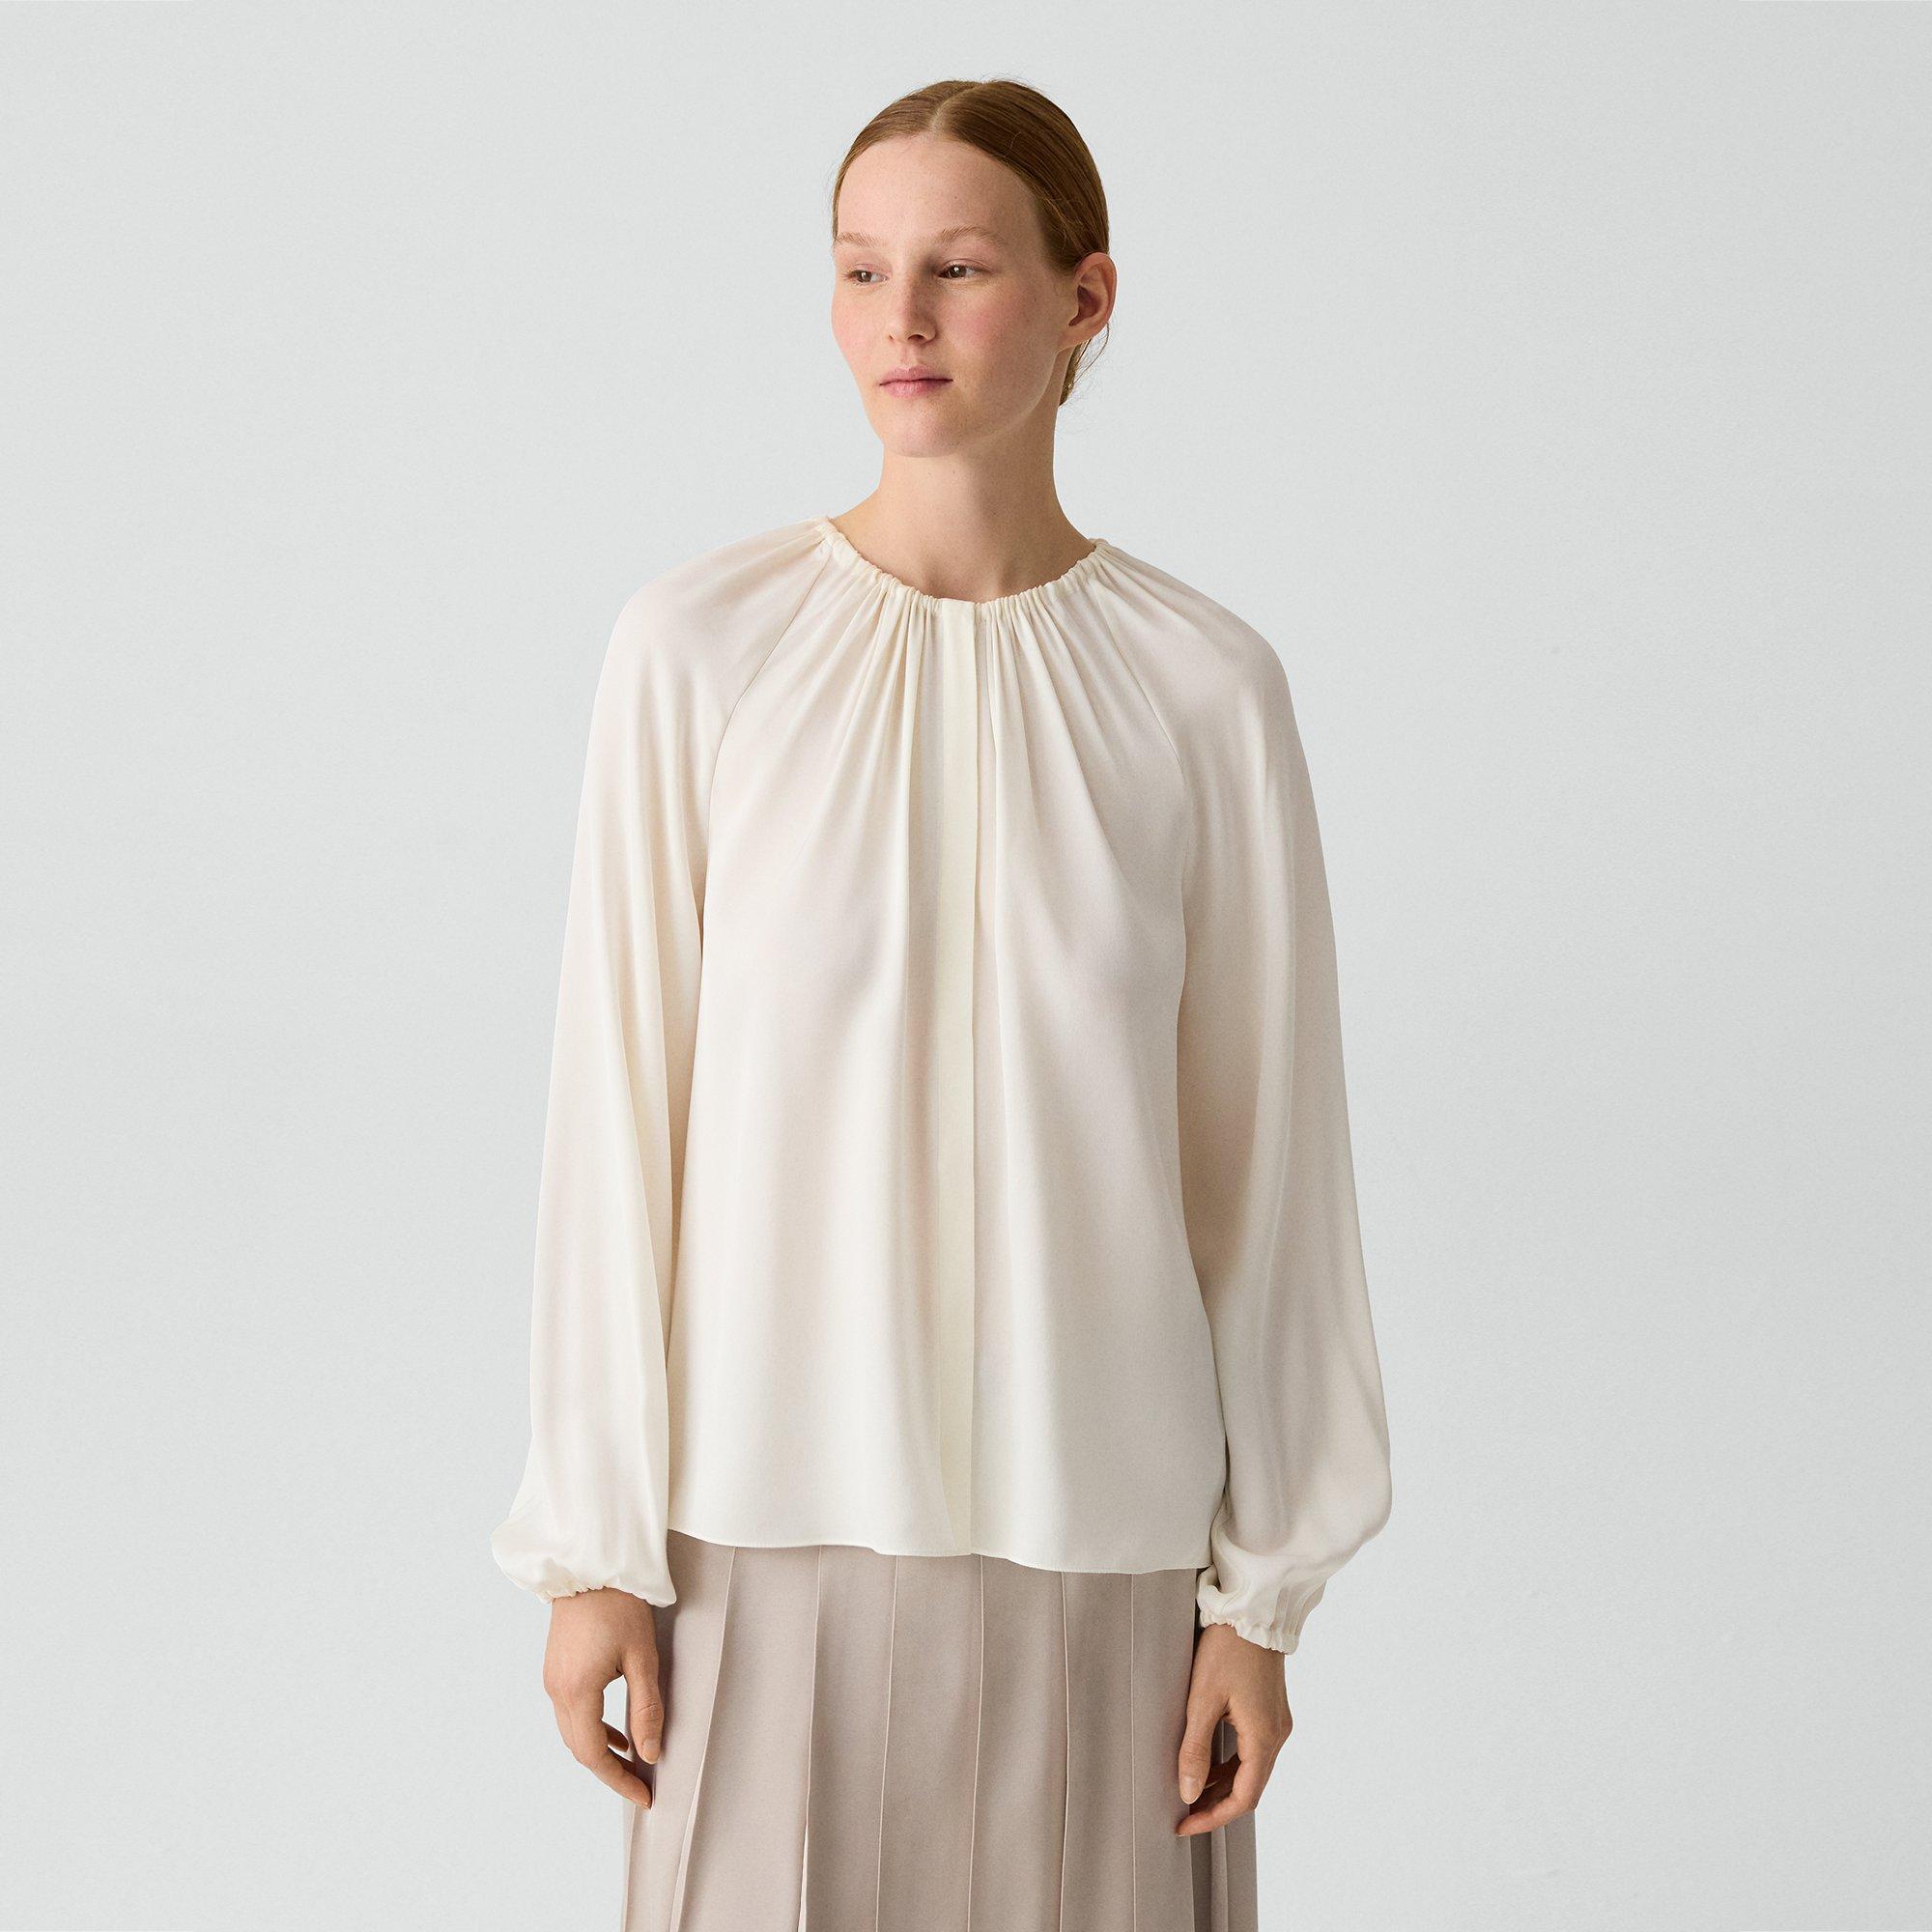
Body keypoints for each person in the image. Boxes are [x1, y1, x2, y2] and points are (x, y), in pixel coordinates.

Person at [491, 76, 1393, 1932]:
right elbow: (619, 1117)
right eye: (859, 269)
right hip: (756, 1550)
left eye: (960, 268)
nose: (898, 318)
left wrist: (1260, 1600)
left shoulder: (1205, 691)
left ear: (1084, 299)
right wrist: (594, 1547)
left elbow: (1268, 1171)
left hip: (1109, 1567)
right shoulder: (699, 653)